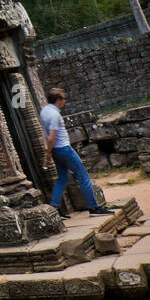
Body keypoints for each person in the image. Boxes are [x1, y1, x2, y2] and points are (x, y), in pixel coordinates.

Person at [42, 88, 113, 216]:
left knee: (62, 178)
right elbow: (52, 137)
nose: (65, 102)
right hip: (64, 148)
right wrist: (47, 152)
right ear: (58, 100)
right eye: (63, 99)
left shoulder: (44, 111)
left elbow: (47, 136)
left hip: (56, 151)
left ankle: (55, 207)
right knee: (83, 176)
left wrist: (50, 151)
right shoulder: (54, 115)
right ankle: (94, 208)